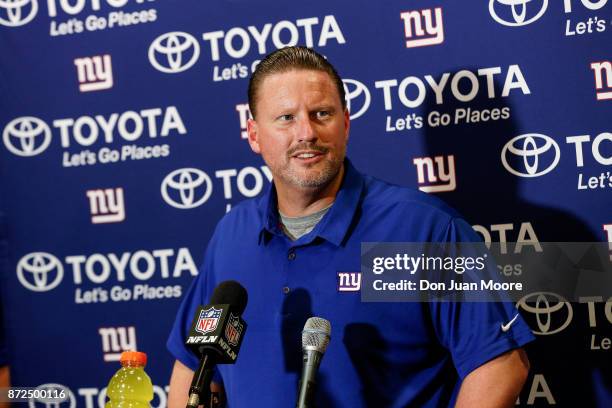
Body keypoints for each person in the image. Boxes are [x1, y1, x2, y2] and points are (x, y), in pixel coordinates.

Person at [167, 46, 533, 407]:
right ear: (254, 134)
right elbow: (193, 367)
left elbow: (500, 365)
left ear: (345, 123)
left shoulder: (424, 229)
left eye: (321, 113)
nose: (306, 132)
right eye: (286, 118)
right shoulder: (232, 235)